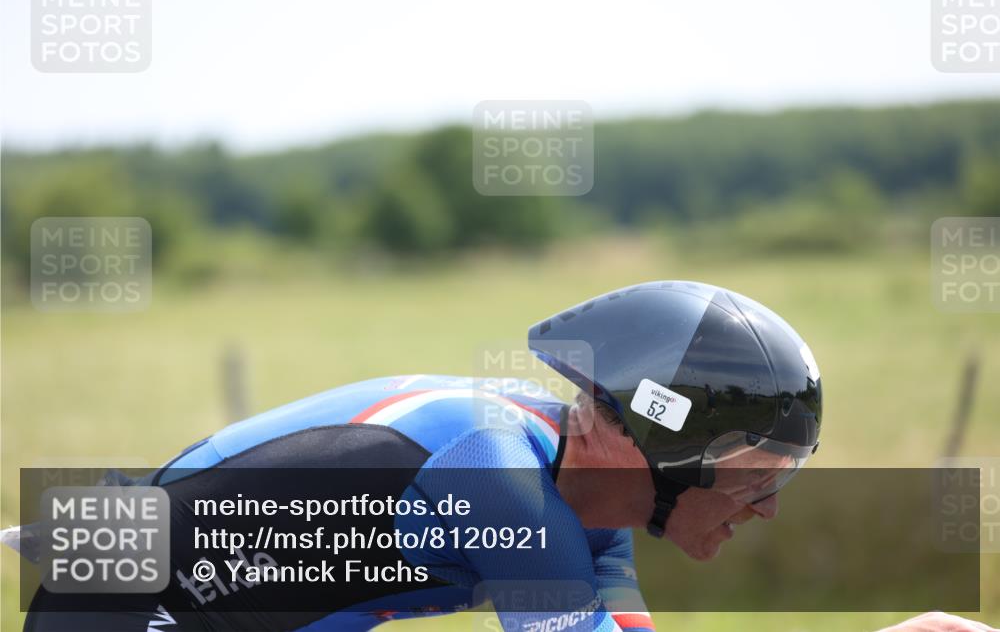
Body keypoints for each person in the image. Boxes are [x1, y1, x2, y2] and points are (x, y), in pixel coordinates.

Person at [19, 282, 994, 632]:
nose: (769, 506)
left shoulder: (583, 506)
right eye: (756, 477)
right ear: (658, 442)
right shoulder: (494, 472)